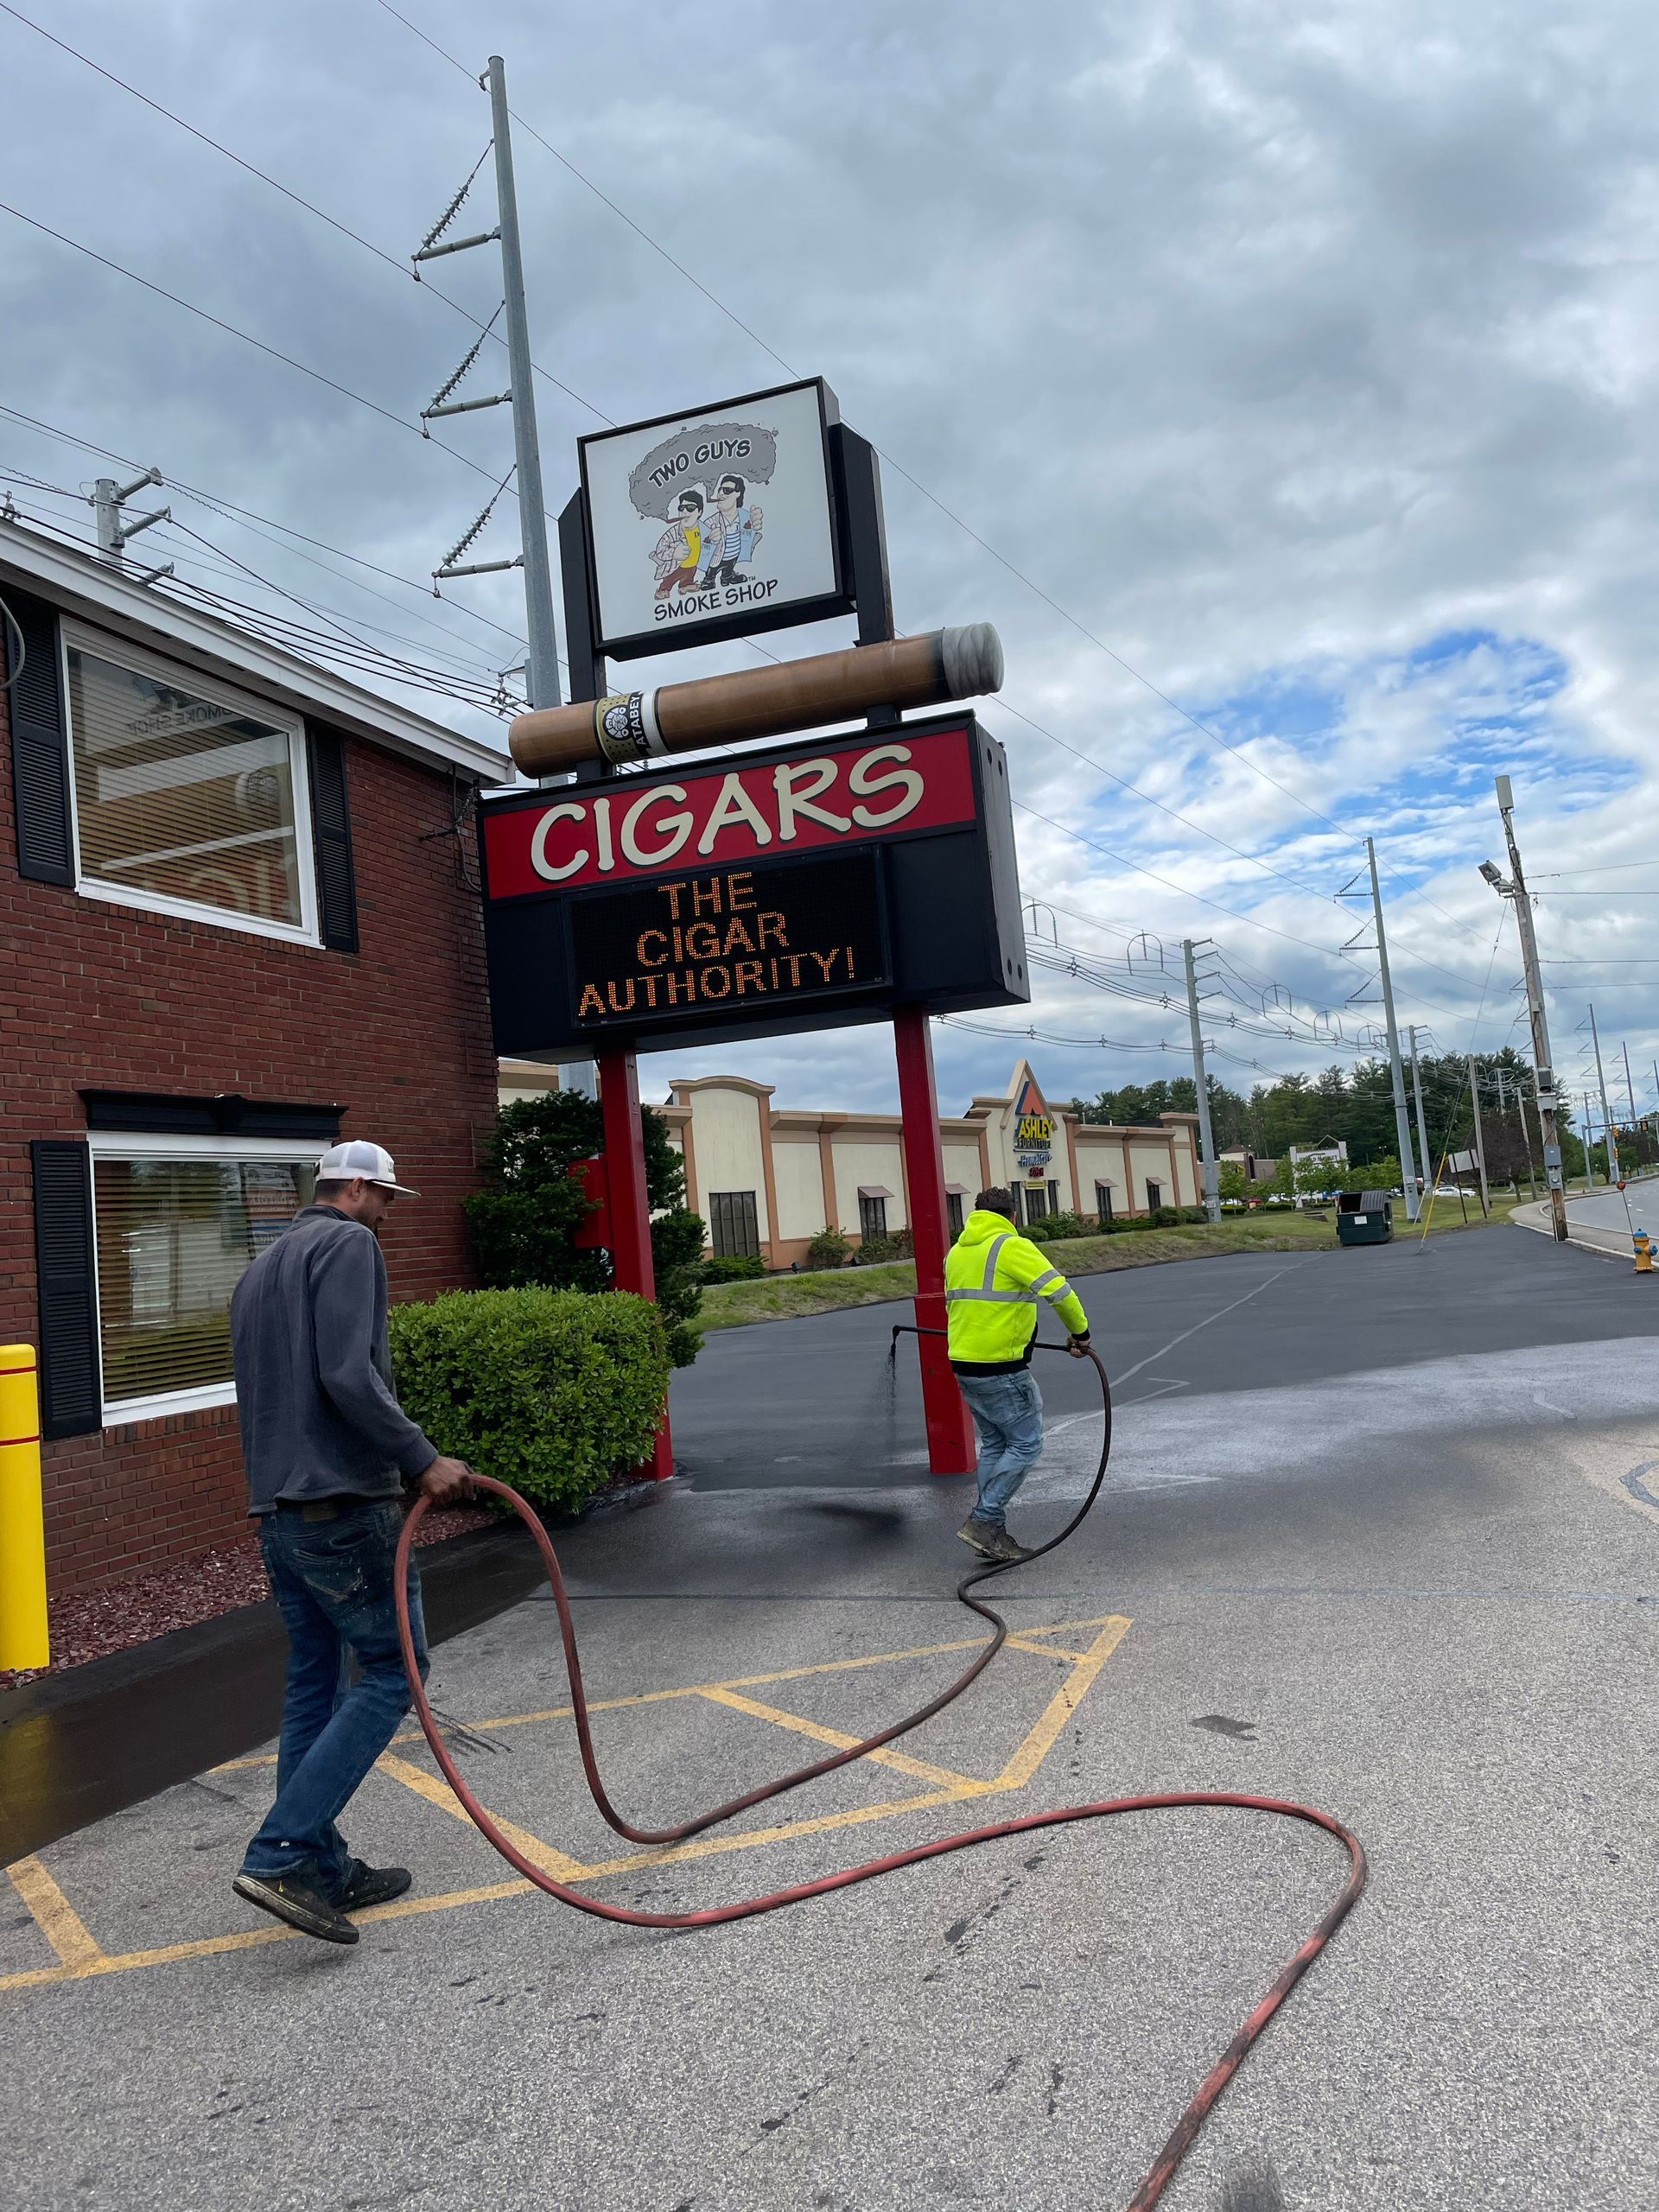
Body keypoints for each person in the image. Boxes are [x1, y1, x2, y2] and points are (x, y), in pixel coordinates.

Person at [229, 1140, 475, 1947]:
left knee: (313, 1682)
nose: (389, 1213)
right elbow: (347, 1372)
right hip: (339, 1505)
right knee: (392, 1673)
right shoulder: (347, 1243)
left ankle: (324, 1867)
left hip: (281, 1511)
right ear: (358, 1188)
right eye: (387, 1198)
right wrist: (421, 1457)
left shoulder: (264, 1267)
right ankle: (283, 1852)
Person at [944, 1187, 1092, 1562]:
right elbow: (1060, 1293)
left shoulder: (958, 1252)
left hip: (965, 1364)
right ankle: (983, 1519)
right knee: (1026, 1443)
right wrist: (1081, 1334)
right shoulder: (1011, 1246)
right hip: (1002, 1367)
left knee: (996, 1444)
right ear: (1012, 1215)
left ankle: (991, 1531)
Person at [696, 473, 764, 588]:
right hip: (716, 559)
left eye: (727, 490)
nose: (721, 493)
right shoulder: (711, 522)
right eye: (720, 490)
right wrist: (710, 539)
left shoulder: (746, 517)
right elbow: (700, 547)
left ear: (738, 494)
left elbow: (751, 533)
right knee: (712, 568)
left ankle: (728, 576)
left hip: (733, 557)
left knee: (729, 567)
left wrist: (755, 527)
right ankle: (709, 579)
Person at [652, 487, 704, 599]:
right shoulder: (674, 532)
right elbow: (660, 549)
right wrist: (674, 553)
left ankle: (686, 585)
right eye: (682, 508)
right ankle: (663, 590)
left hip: (692, 566)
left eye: (690, 508)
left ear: (699, 512)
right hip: (675, 567)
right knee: (669, 579)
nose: (685, 511)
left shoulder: (704, 529)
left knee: (689, 575)